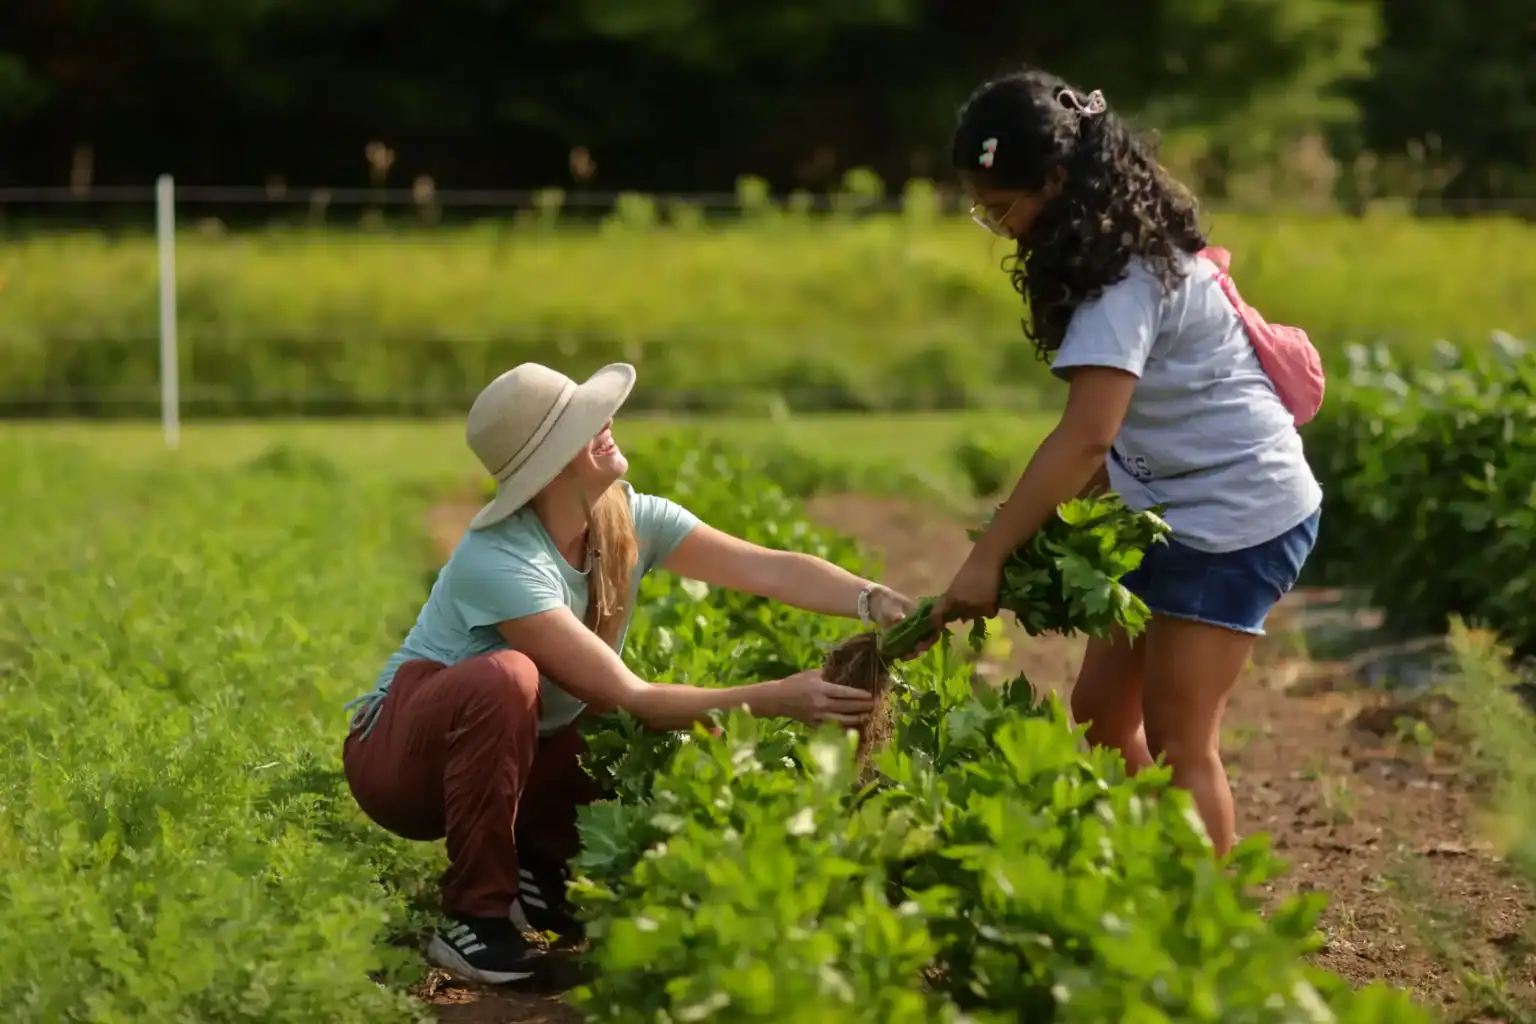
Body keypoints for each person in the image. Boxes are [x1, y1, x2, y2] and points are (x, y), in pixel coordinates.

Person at [340, 361, 920, 986]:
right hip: (401, 764)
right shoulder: (501, 560)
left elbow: (769, 570)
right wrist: (778, 698)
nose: (608, 422)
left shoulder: (625, 518)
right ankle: (473, 922)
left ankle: (542, 873)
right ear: (551, 460)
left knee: (647, 725)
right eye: (587, 423)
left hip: (519, 748)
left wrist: (874, 599)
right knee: (509, 678)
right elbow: (633, 695)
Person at [930, 67, 1323, 858]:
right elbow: (1116, 438)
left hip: (1236, 515)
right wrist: (1028, 530)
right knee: (1103, 713)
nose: (999, 227)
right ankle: (1161, 867)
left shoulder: (1125, 281)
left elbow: (1087, 437)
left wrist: (991, 554)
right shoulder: (1110, 255)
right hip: (1170, 505)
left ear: (1056, 179)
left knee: (1183, 737)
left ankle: (1208, 923)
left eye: (1002, 208)